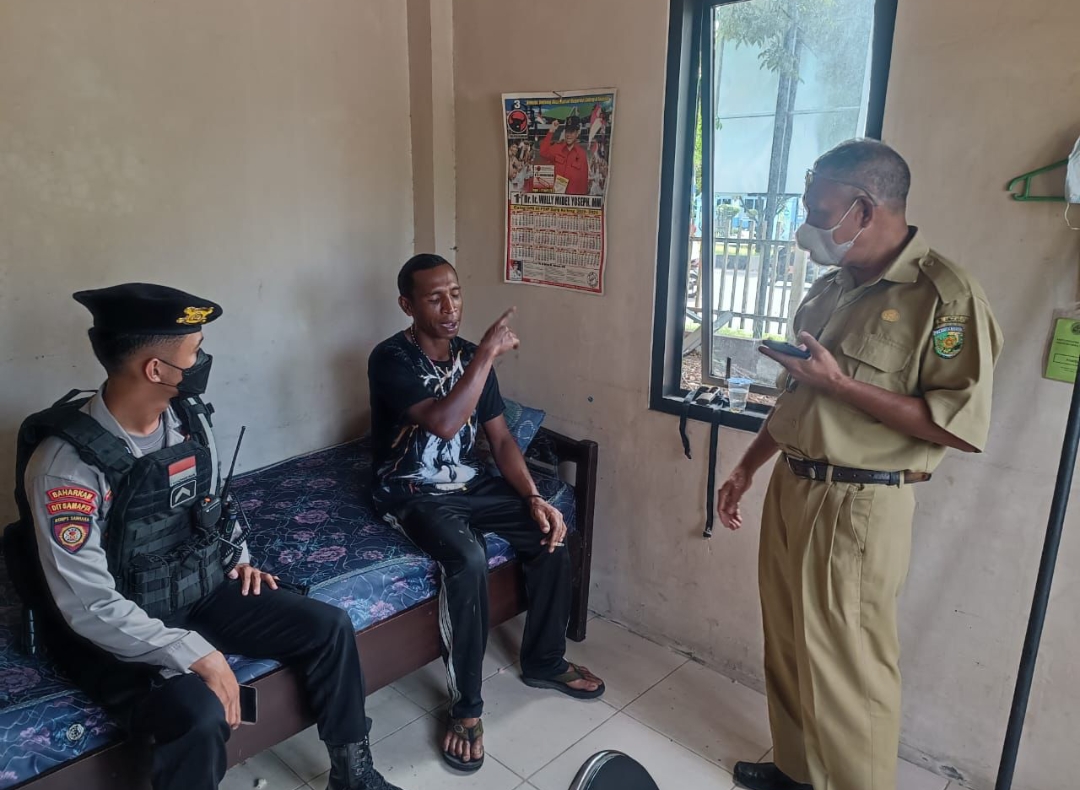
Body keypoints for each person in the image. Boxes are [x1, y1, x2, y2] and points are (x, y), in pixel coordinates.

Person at [12, 284, 402, 790]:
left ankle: (355, 777)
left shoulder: (188, 417)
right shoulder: (66, 468)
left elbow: (214, 502)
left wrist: (237, 556)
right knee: (198, 715)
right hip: (116, 626)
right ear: (156, 369)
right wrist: (196, 653)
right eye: (195, 352)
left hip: (195, 586)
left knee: (329, 626)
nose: (202, 362)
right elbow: (88, 605)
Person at [717, 140, 1003, 790]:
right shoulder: (831, 288)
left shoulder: (945, 298)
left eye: (819, 213)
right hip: (792, 485)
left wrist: (842, 385)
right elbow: (797, 398)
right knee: (788, 643)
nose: (807, 227)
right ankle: (796, 772)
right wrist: (748, 467)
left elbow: (957, 427)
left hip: (859, 505)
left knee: (849, 674)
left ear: (865, 209)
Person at [367, 254, 605, 773]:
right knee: (469, 559)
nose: (449, 306)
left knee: (549, 531)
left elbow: (500, 440)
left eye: (454, 293)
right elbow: (444, 423)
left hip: (469, 483)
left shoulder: (473, 355)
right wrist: (487, 356)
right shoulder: (390, 359)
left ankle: (544, 661)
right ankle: (467, 708)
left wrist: (534, 497)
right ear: (407, 305)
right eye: (434, 297)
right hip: (410, 490)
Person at [539, 115, 590, 195]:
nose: (568, 135)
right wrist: (551, 131)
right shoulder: (557, 148)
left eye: (572, 132)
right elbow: (543, 152)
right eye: (567, 132)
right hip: (558, 197)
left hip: (573, 198)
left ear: (577, 133)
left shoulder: (581, 154)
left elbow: (583, 181)